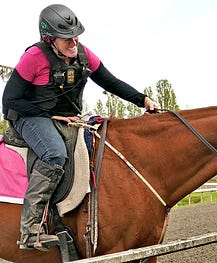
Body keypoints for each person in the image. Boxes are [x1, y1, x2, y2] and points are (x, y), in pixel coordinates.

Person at [2, 4, 158, 250]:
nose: (74, 41)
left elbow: (110, 81)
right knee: (54, 153)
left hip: (68, 117)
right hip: (28, 115)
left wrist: (143, 99)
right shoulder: (34, 57)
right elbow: (9, 100)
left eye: (76, 35)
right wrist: (50, 116)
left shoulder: (84, 54)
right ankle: (30, 231)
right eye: (67, 38)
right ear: (49, 38)